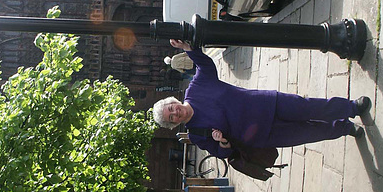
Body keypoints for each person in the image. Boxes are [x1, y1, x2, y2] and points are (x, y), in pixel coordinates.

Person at [152, 39, 371, 160]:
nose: (175, 112)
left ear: (173, 101)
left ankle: (352, 107)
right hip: (264, 135)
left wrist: (189, 50)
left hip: (267, 104)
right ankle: (345, 129)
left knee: (311, 107)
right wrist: (223, 142)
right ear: (174, 123)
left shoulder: (196, 88)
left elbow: (206, 67)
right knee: (310, 133)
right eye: (171, 117)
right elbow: (222, 153)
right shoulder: (197, 134)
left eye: (171, 108)